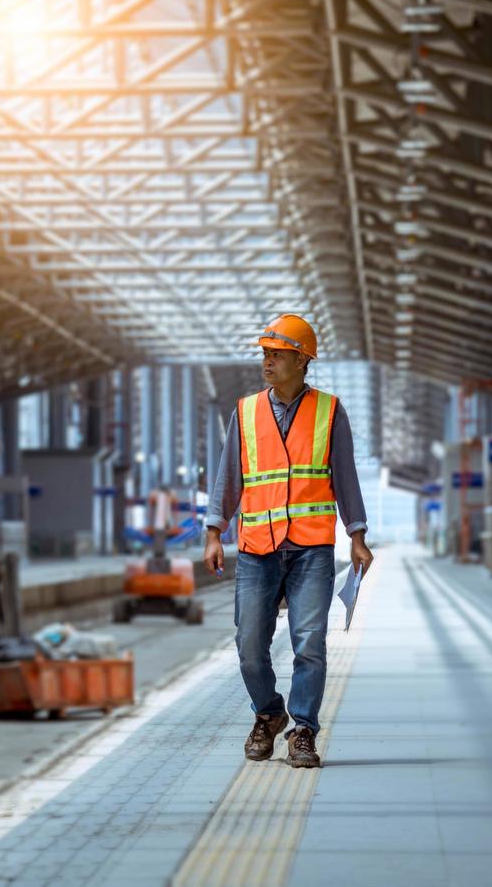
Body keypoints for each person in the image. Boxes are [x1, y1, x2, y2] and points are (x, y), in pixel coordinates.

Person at [202, 314, 374, 768]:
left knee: (309, 643)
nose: (268, 361)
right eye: (265, 353)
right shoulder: (245, 412)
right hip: (258, 547)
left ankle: (303, 729)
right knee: (249, 645)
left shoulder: (330, 411)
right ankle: (269, 713)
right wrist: (214, 530)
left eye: (277, 354)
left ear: (302, 361)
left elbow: (346, 478)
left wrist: (357, 534)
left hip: (311, 549)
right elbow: (229, 477)